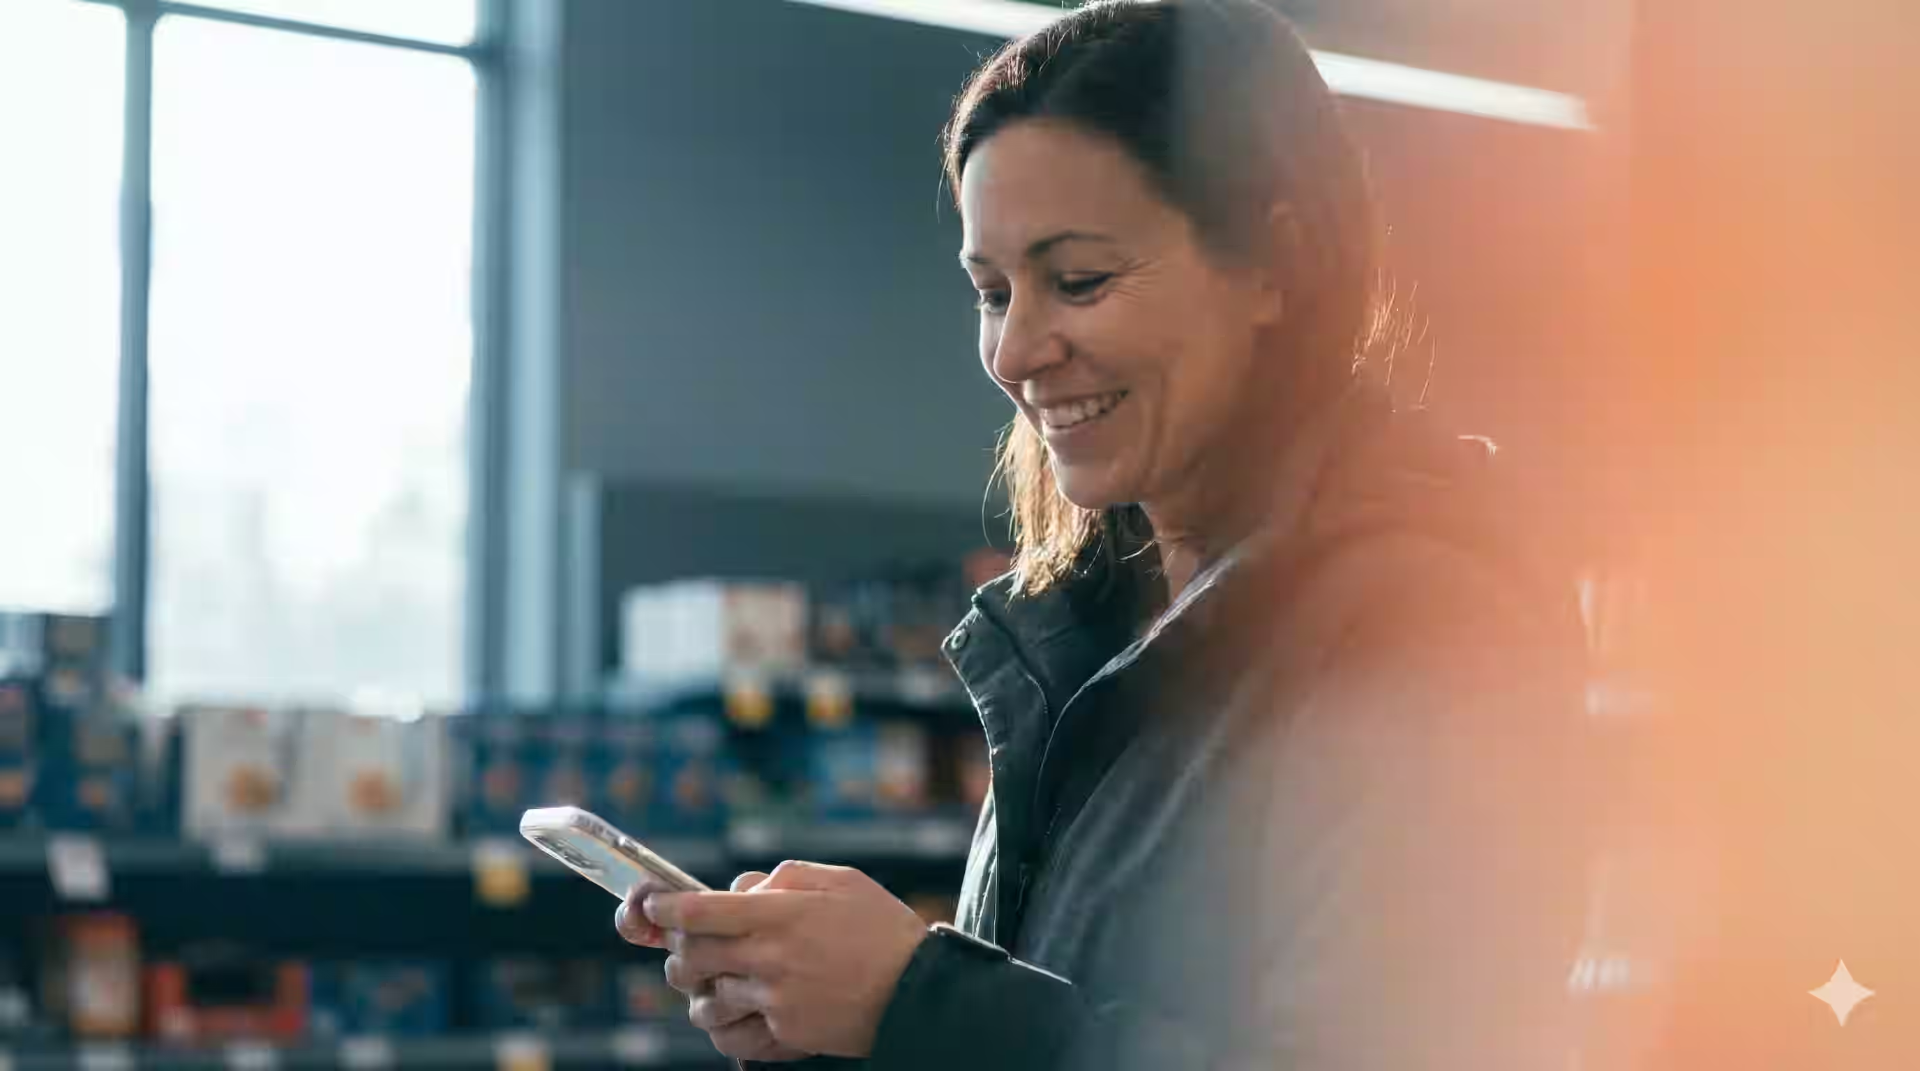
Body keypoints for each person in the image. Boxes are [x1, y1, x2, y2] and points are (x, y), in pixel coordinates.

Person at [616, 2, 1594, 1068]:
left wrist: (917, 1003)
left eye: (1078, 281)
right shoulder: (1088, 629)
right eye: (993, 292)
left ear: (1275, 265)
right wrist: (839, 1031)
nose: (1015, 351)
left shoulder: (1431, 640)